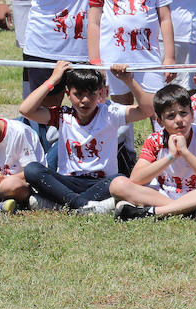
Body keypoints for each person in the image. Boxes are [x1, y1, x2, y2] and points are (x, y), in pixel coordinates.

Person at [21, 62, 153, 213]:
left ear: (101, 94)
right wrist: (53, 80)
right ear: (68, 94)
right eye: (78, 94)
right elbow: (25, 109)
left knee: (120, 180)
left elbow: (148, 110)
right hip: (68, 181)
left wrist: (129, 81)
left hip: (102, 182)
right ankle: (84, 205)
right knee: (32, 170)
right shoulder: (62, 115)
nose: (85, 100)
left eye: (91, 94)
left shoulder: (110, 113)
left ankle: (63, 205)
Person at [112, 83, 196, 220]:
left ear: (192, 114)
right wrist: (171, 156)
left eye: (183, 113)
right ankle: (190, 210)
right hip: (163, 195)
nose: (179, 120)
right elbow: (136, 179)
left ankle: (153, 212)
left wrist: (185, 153)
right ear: (160, 121)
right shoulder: (155, 139)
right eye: (171, 116)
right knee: (118, 184)